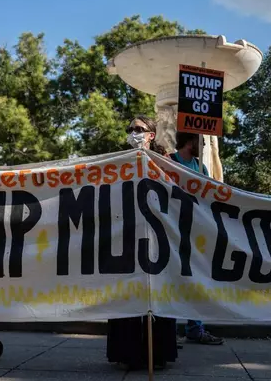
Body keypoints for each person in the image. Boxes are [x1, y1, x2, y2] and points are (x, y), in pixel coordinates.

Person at [107, 115, 176, 370]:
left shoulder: (164, 162)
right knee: (128, 292)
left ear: (151, 135)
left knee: (155, 292)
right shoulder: (119, 162)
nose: (134, 132)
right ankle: (127, 353)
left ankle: (156, 354)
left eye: (139, 129)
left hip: (156, 237)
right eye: (131, 128)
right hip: (126, 235)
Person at [169, 132, 224, 345]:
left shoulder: (201, 167)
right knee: (171, 279)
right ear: (189, 141)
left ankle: (195, 327)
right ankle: (168, 332)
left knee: (195, 279)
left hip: (193, 232)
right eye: (199, 141)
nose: (202, 145)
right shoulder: (169, 162)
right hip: (171, 230)